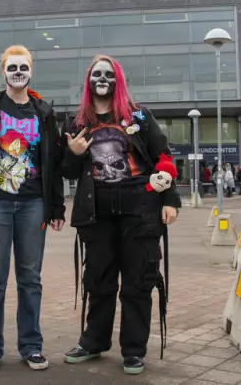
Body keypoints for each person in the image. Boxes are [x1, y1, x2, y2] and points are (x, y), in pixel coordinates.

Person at [60, 54, 180, 375]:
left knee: (138, 281)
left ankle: (134, 349)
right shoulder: (76, 122)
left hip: (140, 208)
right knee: (98, 279)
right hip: (96, 211)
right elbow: (67, 171)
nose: (103, 79)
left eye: (109, 74)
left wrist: (170, 200)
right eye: (97, 74)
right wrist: (74, 154)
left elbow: (162, 156)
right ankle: (94, 341)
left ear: (118, 80)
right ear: (88, 80)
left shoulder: (138, 116)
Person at [0, 44, 65, 373]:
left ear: (31, 71)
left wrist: (57, 206)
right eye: (12, 68)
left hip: (34, 203)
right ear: (3, 71)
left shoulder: (43, 111)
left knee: (30, 278)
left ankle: (31, 346)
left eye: (23, 67)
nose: (18, 73)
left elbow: (53, 161)